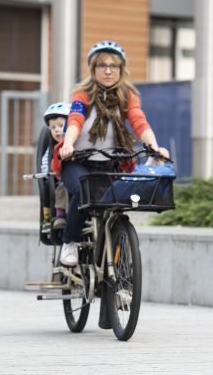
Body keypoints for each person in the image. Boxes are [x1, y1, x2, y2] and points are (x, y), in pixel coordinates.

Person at [57, 40, 170, 267]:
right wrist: (68, 144)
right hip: (78, 161)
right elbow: (75, 120)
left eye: (113, 66)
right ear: (93, 69)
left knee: (119, 200)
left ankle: (114, 241)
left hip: (110, 162)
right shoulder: (83, 95)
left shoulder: (127, 96)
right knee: (83, 192)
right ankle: (70, 242)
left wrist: (155, 147)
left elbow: (138, 121)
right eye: (102, 65)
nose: (108, 71)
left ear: (121, 69)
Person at [39, 102, 70, 235]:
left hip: (72, 176)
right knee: (50, 188)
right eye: (53, 127)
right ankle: (55, 216)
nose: (57, 130)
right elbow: (45, 162)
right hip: (57, 178)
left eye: (61, 126)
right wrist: (47, 173)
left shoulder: (75, 144)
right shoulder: (52, 148)